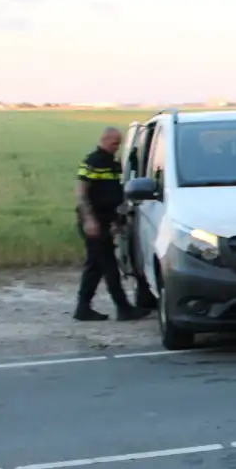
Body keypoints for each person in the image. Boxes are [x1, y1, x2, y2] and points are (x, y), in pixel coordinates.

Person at [73, 126, 151, 322]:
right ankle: (123, 308)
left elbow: (116, 194)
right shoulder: (92, 162)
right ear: (105, 139)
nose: (117, 147)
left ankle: (83, 308)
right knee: (108, 266)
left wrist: (117, 220)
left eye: (119, 143)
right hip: (94, 221)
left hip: (107, 220)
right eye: (114, 143)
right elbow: (81, 193)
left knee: (95, 266)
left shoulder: (114, 164)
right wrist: (89, 219)